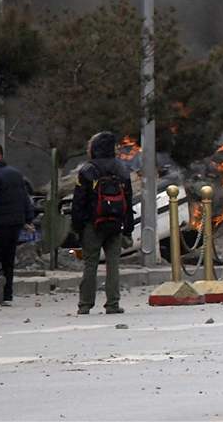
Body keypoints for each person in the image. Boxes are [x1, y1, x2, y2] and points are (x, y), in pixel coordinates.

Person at [71, 131, 134, 315]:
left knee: (90, 264)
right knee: (113, 264)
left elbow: (78, 202)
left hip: (93, 224)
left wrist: (78, 227)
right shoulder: (122, 169)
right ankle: (113, 304)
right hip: (115, 223)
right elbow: (128, 202)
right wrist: (127, 228)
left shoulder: (87, 170)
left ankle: (85, 304)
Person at [0, 143, 34, 306]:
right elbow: (25, 198)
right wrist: (28, 219)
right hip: (15, 224)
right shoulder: (16, 174)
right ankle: (7, 295)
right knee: (8, 260)